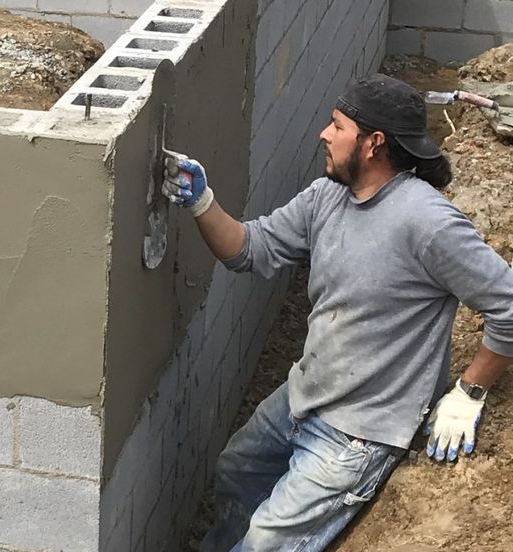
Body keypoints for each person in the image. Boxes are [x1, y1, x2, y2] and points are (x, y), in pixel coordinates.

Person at [162, 74, 513, 552]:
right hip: (308, 391)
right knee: (237, 470)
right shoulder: (327, 196)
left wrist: (469, 392)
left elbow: (508, 306)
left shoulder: (429, 223)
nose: (324, 134)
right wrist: (203, 201)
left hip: (361, 431)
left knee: (266, 540)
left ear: (373, 144)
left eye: (337, 125)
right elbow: (251, 249)